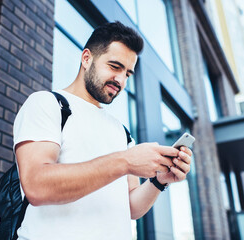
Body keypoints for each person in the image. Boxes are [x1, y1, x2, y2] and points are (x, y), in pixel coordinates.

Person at [13, 21, 192, 240]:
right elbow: (37, 186)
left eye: (128, 73)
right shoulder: (48, 104)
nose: (121, 80)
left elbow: (131, 208)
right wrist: (125, 162)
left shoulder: (121, 131)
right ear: (87, 58)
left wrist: (159, 181)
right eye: (115, 67)